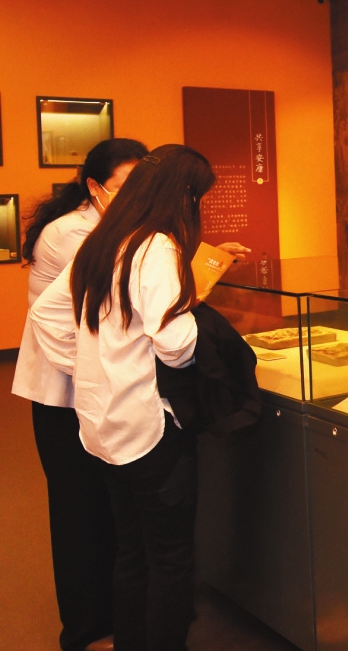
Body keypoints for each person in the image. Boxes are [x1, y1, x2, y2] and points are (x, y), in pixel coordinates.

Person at [29, 144, 217, 651]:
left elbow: (46, 314)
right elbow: (174, 344)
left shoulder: (105, 239)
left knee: (132, 550)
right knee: (170, 557)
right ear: (181, 194)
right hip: (150, 426)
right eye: (197, 197)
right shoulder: (156, 247)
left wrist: (90, 366)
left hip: (103, 424)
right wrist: (195, 323)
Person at [13, 138, 148, 651]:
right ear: (94, 187)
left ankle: (119, 612)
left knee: (109, 505)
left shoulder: (118, 226)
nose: (135, 196)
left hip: (99, 386)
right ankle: (87, 628)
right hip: (62, 392)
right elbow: (124, 291)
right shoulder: (71, 233)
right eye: (124, 186)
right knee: (78, 509)